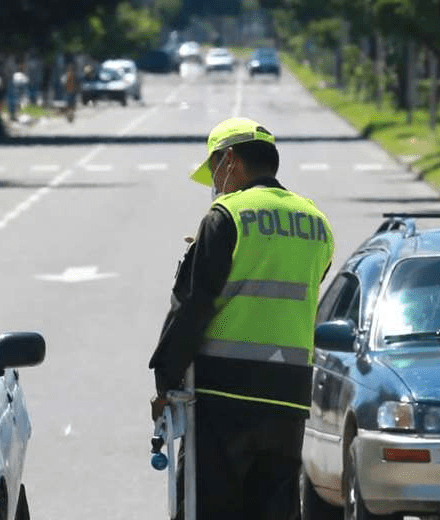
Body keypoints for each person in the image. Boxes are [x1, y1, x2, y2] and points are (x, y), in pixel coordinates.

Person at [148, 117, 335, 520]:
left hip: (223, 397)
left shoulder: (227, 216)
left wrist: (165, 379)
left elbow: (193, 304)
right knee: (274, 509)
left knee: (206, 509)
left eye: (214, 168)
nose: (215, 181)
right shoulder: (317, 222)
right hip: (288, 398)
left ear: (230, 160)